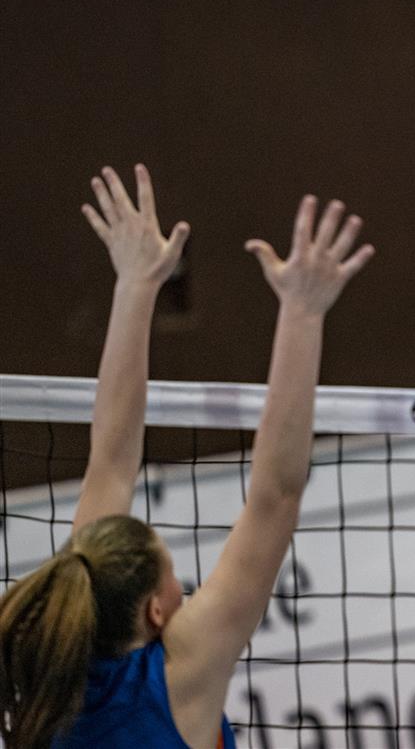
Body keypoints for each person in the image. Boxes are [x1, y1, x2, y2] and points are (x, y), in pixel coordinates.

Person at [0, 165, 374, 749]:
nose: (184, 589)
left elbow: (112, 460)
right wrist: (303, 312)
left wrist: (135, 284)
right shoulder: (181, 676)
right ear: (156, 612)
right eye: (174, 576)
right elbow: (275, 496)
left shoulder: (48, 675)